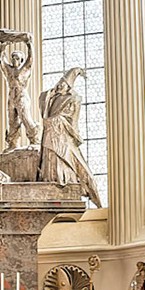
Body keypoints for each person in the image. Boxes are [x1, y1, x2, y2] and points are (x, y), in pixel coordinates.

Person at [38, 68, 100, 205]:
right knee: (50, 157)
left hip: (61, 134)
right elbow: (43, 107)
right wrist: (50, 95)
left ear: (69, 87)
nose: (60, 85)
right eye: (60, 82)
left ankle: (63, 181)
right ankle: (50, 180)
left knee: (63, 157)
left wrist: (57, 121)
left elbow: (72, 119)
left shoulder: (72, 99)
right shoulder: (51, 97)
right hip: (49, 132)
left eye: (64, 83)